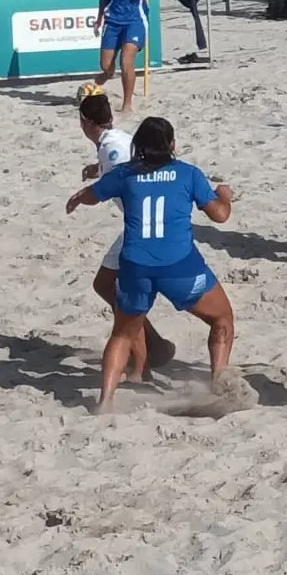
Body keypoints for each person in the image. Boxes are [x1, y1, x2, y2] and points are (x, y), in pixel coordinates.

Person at [66, 117, 237, 412]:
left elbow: (93, 195)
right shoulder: (188, 174)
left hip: (135, 266)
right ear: (172, 145)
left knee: (122, 333)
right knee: (222, 318)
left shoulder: (124, 174)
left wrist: (78, 198)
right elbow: (220, 216)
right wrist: (225, 195)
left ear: (138, 147)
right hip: (180, 266)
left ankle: (105, 401)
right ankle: (218, 385)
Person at [78, 93, 176, 375]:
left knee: (115, 290)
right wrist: (97, 170)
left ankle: (144, 359)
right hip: (141, 223)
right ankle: (150, 348)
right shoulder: (114, 140)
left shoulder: (113, 149)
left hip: (143, 226)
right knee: (108, 287)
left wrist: (88, 192)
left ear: (85, 121)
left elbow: (131, 171)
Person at [91, 0, 169, 114]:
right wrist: (99, 17)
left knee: (126, 61)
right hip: (113, 18)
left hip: (135, 18)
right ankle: (107, 75)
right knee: (106, 65)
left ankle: (127, 104)